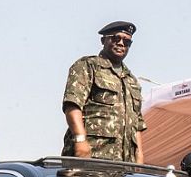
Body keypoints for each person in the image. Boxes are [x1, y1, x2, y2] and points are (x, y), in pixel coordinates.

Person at [61, 21, 146, 163]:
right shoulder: (88, 66)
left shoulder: (132, 81)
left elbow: (136, 123)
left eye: (126, 41)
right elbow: (72, 105)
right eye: (115, 38)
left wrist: (139, 156)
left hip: (125, 164)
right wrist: (80, 139)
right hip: (93, 155)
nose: (121, 43)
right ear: (103, 40)